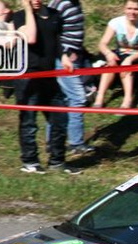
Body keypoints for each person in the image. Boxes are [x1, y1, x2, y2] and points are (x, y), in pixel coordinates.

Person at [12, 0, 80, 174]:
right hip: (27, 77)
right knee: (29, 122)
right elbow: (31, 38)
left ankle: (57, 161)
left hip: (48, 77)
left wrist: (63, 57)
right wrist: (28, 10)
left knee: (60, 118)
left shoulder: (55, 16)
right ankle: (30, 161)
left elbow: (56, 40)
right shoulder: (19, 17)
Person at [47, 0, 94, 155]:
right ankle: (75, 143)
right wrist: (64, 54)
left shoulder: (75, 3)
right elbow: (51, 31)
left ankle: (52, 142)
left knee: (61, 100)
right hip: (63, 60)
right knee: (78, 98)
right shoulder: (59, 4)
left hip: (76, 58)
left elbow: (73, 31)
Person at [94, 0, 138, 109]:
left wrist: (130, 58)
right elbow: (102, 43)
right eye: (129, 8)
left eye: (136, 9)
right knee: (110, 64)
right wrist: (108, 54)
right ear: (124, 9)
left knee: (127, 66)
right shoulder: (116, 22)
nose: (132, 12)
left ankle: (127, 100)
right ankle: (100, 97)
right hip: (119, 55)